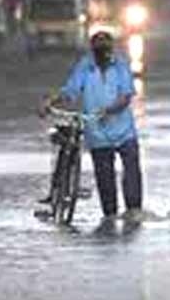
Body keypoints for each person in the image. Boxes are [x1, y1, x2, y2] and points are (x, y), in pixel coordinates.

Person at [42, 28, 143, 222]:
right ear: (93, 51)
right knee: (104, 176)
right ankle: (110, 215)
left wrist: (109, 110)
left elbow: (126, 96)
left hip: (124, 130)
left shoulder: (120, 66)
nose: (102, 56)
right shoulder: (84, 67)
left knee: (131, 169)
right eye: (99, 51)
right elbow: (70, 91)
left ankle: (134, 210)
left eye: (106, 50)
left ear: (111, 50)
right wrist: (51, 102)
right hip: (97, 132)